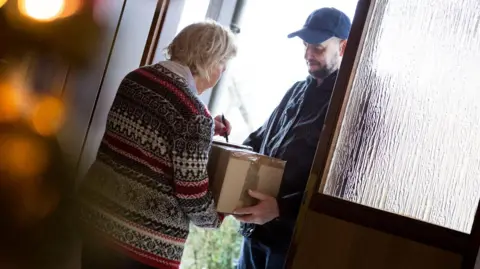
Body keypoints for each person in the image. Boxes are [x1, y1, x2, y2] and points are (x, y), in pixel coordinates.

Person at [77, 20, 236, 269]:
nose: (222, 72)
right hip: (142, 244)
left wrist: (205, 132)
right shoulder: (194, 114)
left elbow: (151, 138)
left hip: (98, 218)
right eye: (222, 63)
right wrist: (221, 214)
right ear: (209, 60)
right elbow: (193, 197)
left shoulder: (136, 78)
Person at [233, 8, 352, 269]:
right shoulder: (296, 90)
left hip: (291, 244)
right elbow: (258, 141)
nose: (308, 54)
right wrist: (229, 149)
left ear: (343, 47)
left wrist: (280, 209)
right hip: (255, 233)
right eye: (306, 45)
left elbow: (341, 183)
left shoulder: (348, 105)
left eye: (318, 47)